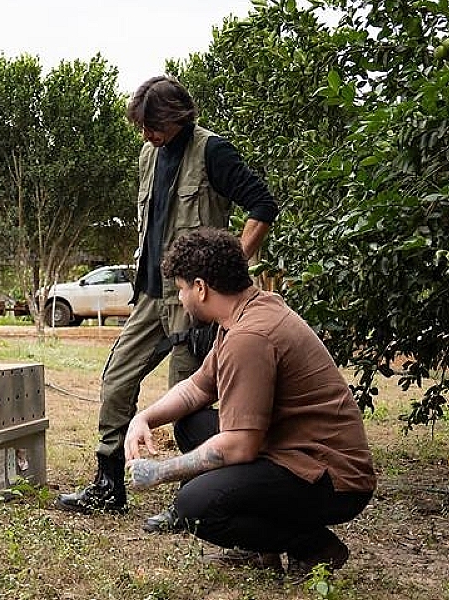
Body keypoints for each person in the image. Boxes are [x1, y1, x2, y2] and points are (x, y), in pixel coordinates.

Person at [56, 76, 279, 514]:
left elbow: (263, 206)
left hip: (193, 303)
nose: (145, 135)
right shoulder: (148, 154)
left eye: (151, 125)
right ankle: (107, 484)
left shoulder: (212, 151)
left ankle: (192, 502)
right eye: (141, 127)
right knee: (116, 380)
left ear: (176, 117)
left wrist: (228, 267)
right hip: (151, 294)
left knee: (187, 400)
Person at [124, 228, 376, 578]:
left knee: (194, 507)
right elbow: (198, 388)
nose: (181, 299)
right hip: (293, 450)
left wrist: (160, 471)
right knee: (191, 422)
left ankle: (314, 546)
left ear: (201, 287)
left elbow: (240, 447)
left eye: (181, 288)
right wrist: (145, 418)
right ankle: (259, 550)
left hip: (333, 478)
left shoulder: (250, 337)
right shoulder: (244, 314)